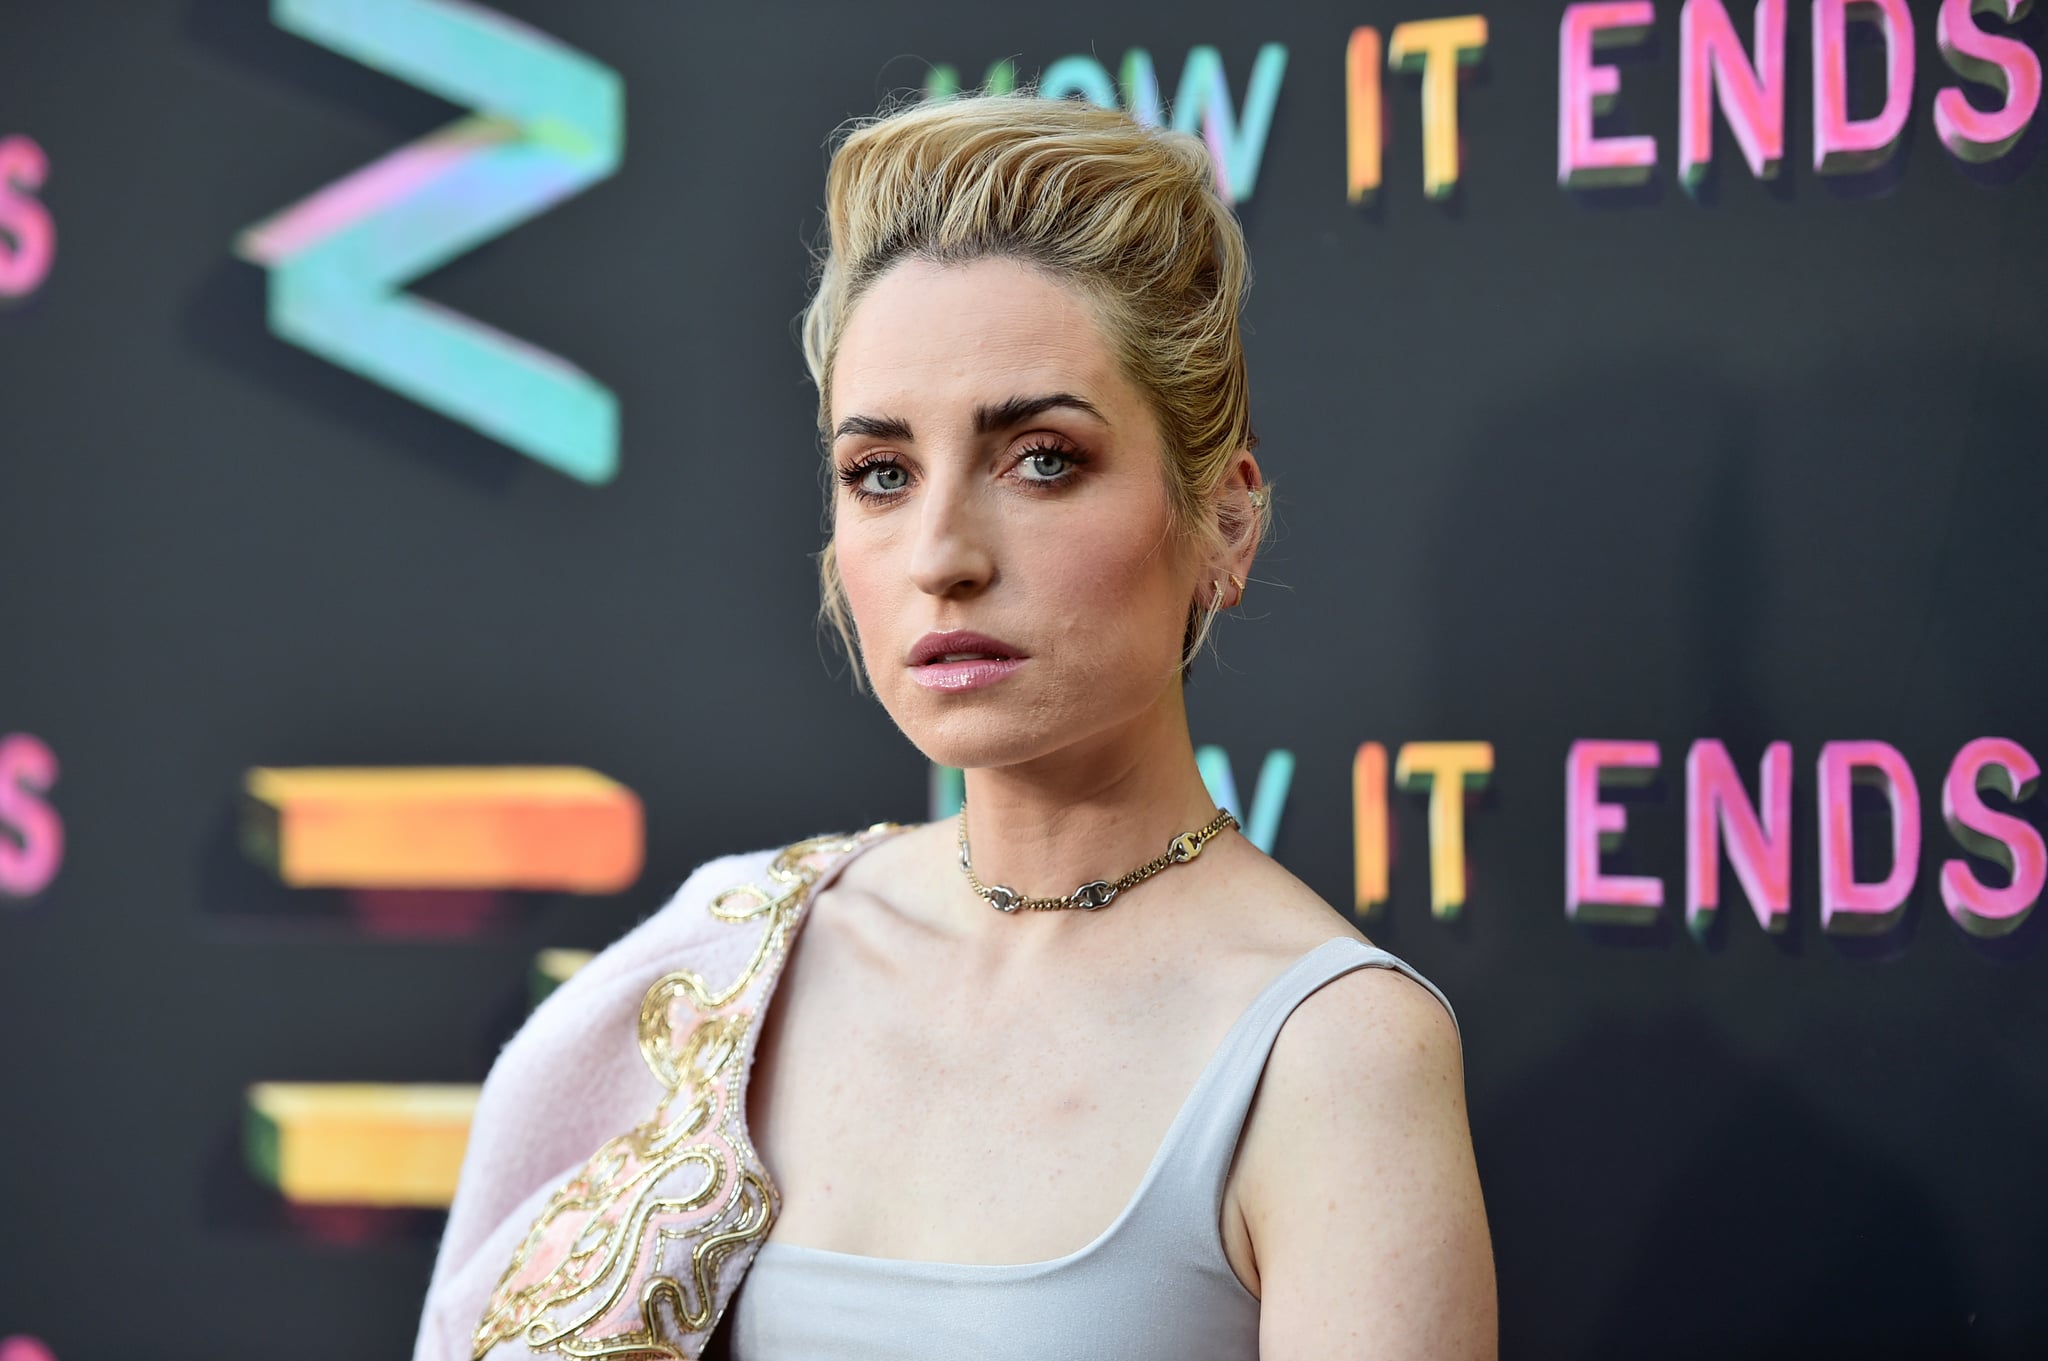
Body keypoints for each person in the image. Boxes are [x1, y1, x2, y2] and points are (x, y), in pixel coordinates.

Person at [413, 89, 1495, 1361]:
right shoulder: (723, 964)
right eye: (879, 473)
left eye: (1041, 457)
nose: (940, 555)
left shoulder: (1333, 1056)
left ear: (1223, 520)